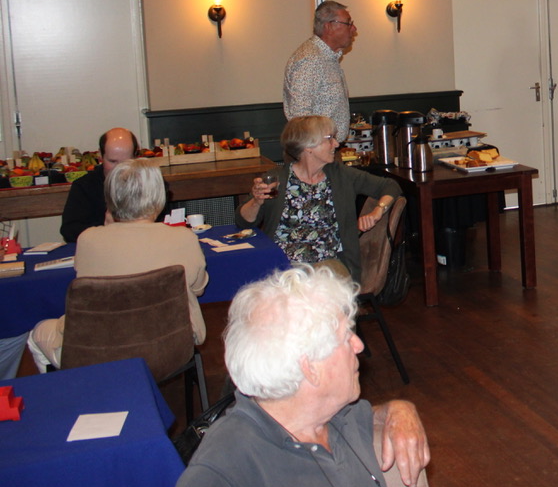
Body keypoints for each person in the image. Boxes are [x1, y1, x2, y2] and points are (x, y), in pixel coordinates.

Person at [149, 266, 437, 487]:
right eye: (346, 337)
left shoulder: (331, 414)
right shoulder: (229, 463)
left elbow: (370, 416)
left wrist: (400, 409)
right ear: (309, 368)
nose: (359, 345)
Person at [28, 159, 208, 372]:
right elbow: (198, 288)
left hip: (102, 352)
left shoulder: (88, 240)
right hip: (171, 346)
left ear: (111, 198)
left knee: (38, 332)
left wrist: (106, 229)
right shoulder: (183, 238)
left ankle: (72, 390)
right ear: (159, 195)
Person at [237, 116, 400, 282]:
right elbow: (243, 222)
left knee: (306, 287)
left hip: (329, 266)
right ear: (308, 146)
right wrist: (256, 201)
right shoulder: (277, 178)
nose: (336, 144)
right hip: (283, 265)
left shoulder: (341, 175)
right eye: (330, 138)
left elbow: (391, 186)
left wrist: (378, 210)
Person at [283, 0, 356, 143]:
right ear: (329, 26)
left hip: (327, 149)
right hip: (315, 151)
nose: (354, 29)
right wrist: (320, 150)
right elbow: (300, 119)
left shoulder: (327, 58)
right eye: (348, 23)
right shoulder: (310, 59)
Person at [59, 127, 140, 243]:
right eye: (112, 161)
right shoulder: (84, 186)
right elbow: (69, 230)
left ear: (136, 156)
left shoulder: (150, 184)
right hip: (102, 246)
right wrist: (105, 230)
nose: (119, 169)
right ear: (100, 156)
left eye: (126, 162)